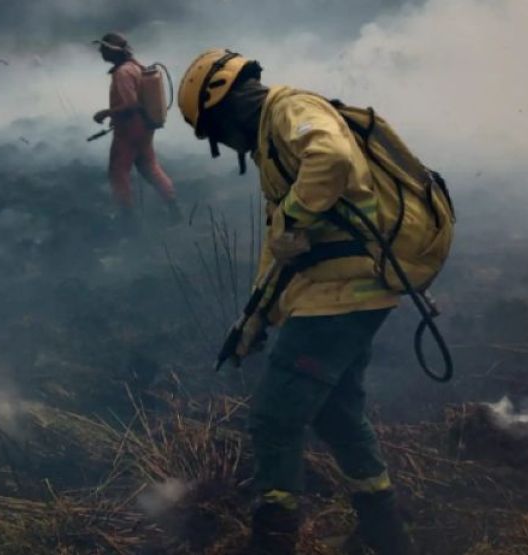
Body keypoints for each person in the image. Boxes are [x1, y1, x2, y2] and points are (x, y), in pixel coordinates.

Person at [177, 49, 414, 555]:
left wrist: (294, 217)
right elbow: (280, 250)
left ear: (225, 106)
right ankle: (385, 534)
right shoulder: (274, 142)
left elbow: (329, 157)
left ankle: (273, 541)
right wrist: (253, 319)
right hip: (346, 293)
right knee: (337, 414)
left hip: (338, 296)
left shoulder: (289, 110)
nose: (223, 143)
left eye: (216, 131)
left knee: (273, 420)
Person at [92, 32, 180, 224]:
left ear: (113, 52)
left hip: (129, 129)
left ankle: (127, 219)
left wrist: (106, 113)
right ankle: (173, 208)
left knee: (118, 171)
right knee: (149, 166)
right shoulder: (135, 67)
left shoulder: (123, 73)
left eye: (104, 49)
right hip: (145, 127)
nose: (101, 53)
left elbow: (131, 105)